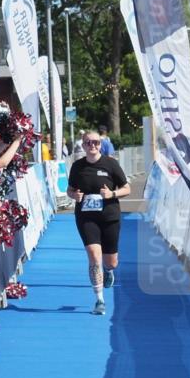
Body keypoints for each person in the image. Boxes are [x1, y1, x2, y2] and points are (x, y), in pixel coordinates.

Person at [67, 130, 131, 315]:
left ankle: (108, 270)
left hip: (109, 216)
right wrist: (74, 195)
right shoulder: (78, 166)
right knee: (94, 255)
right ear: (83, 145)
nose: (92, 145)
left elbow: (126, 188)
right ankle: (99, 300)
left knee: (111, 261)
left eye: (95, 142)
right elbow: (70, 190)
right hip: (86, 217)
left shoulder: (111, 164)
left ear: (100, 144)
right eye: (88, 142)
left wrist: (112, 194)